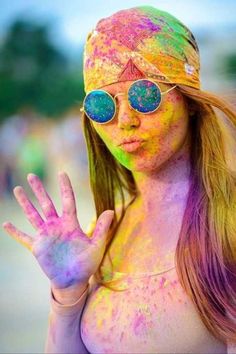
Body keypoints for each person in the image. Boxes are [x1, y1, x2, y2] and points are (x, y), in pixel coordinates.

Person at [2, 5, 236, 354]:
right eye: (102, 105)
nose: (124, 120)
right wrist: (68, 294)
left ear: (188, 100)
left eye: (144, 96)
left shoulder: (227, 220)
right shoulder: (105, 232)